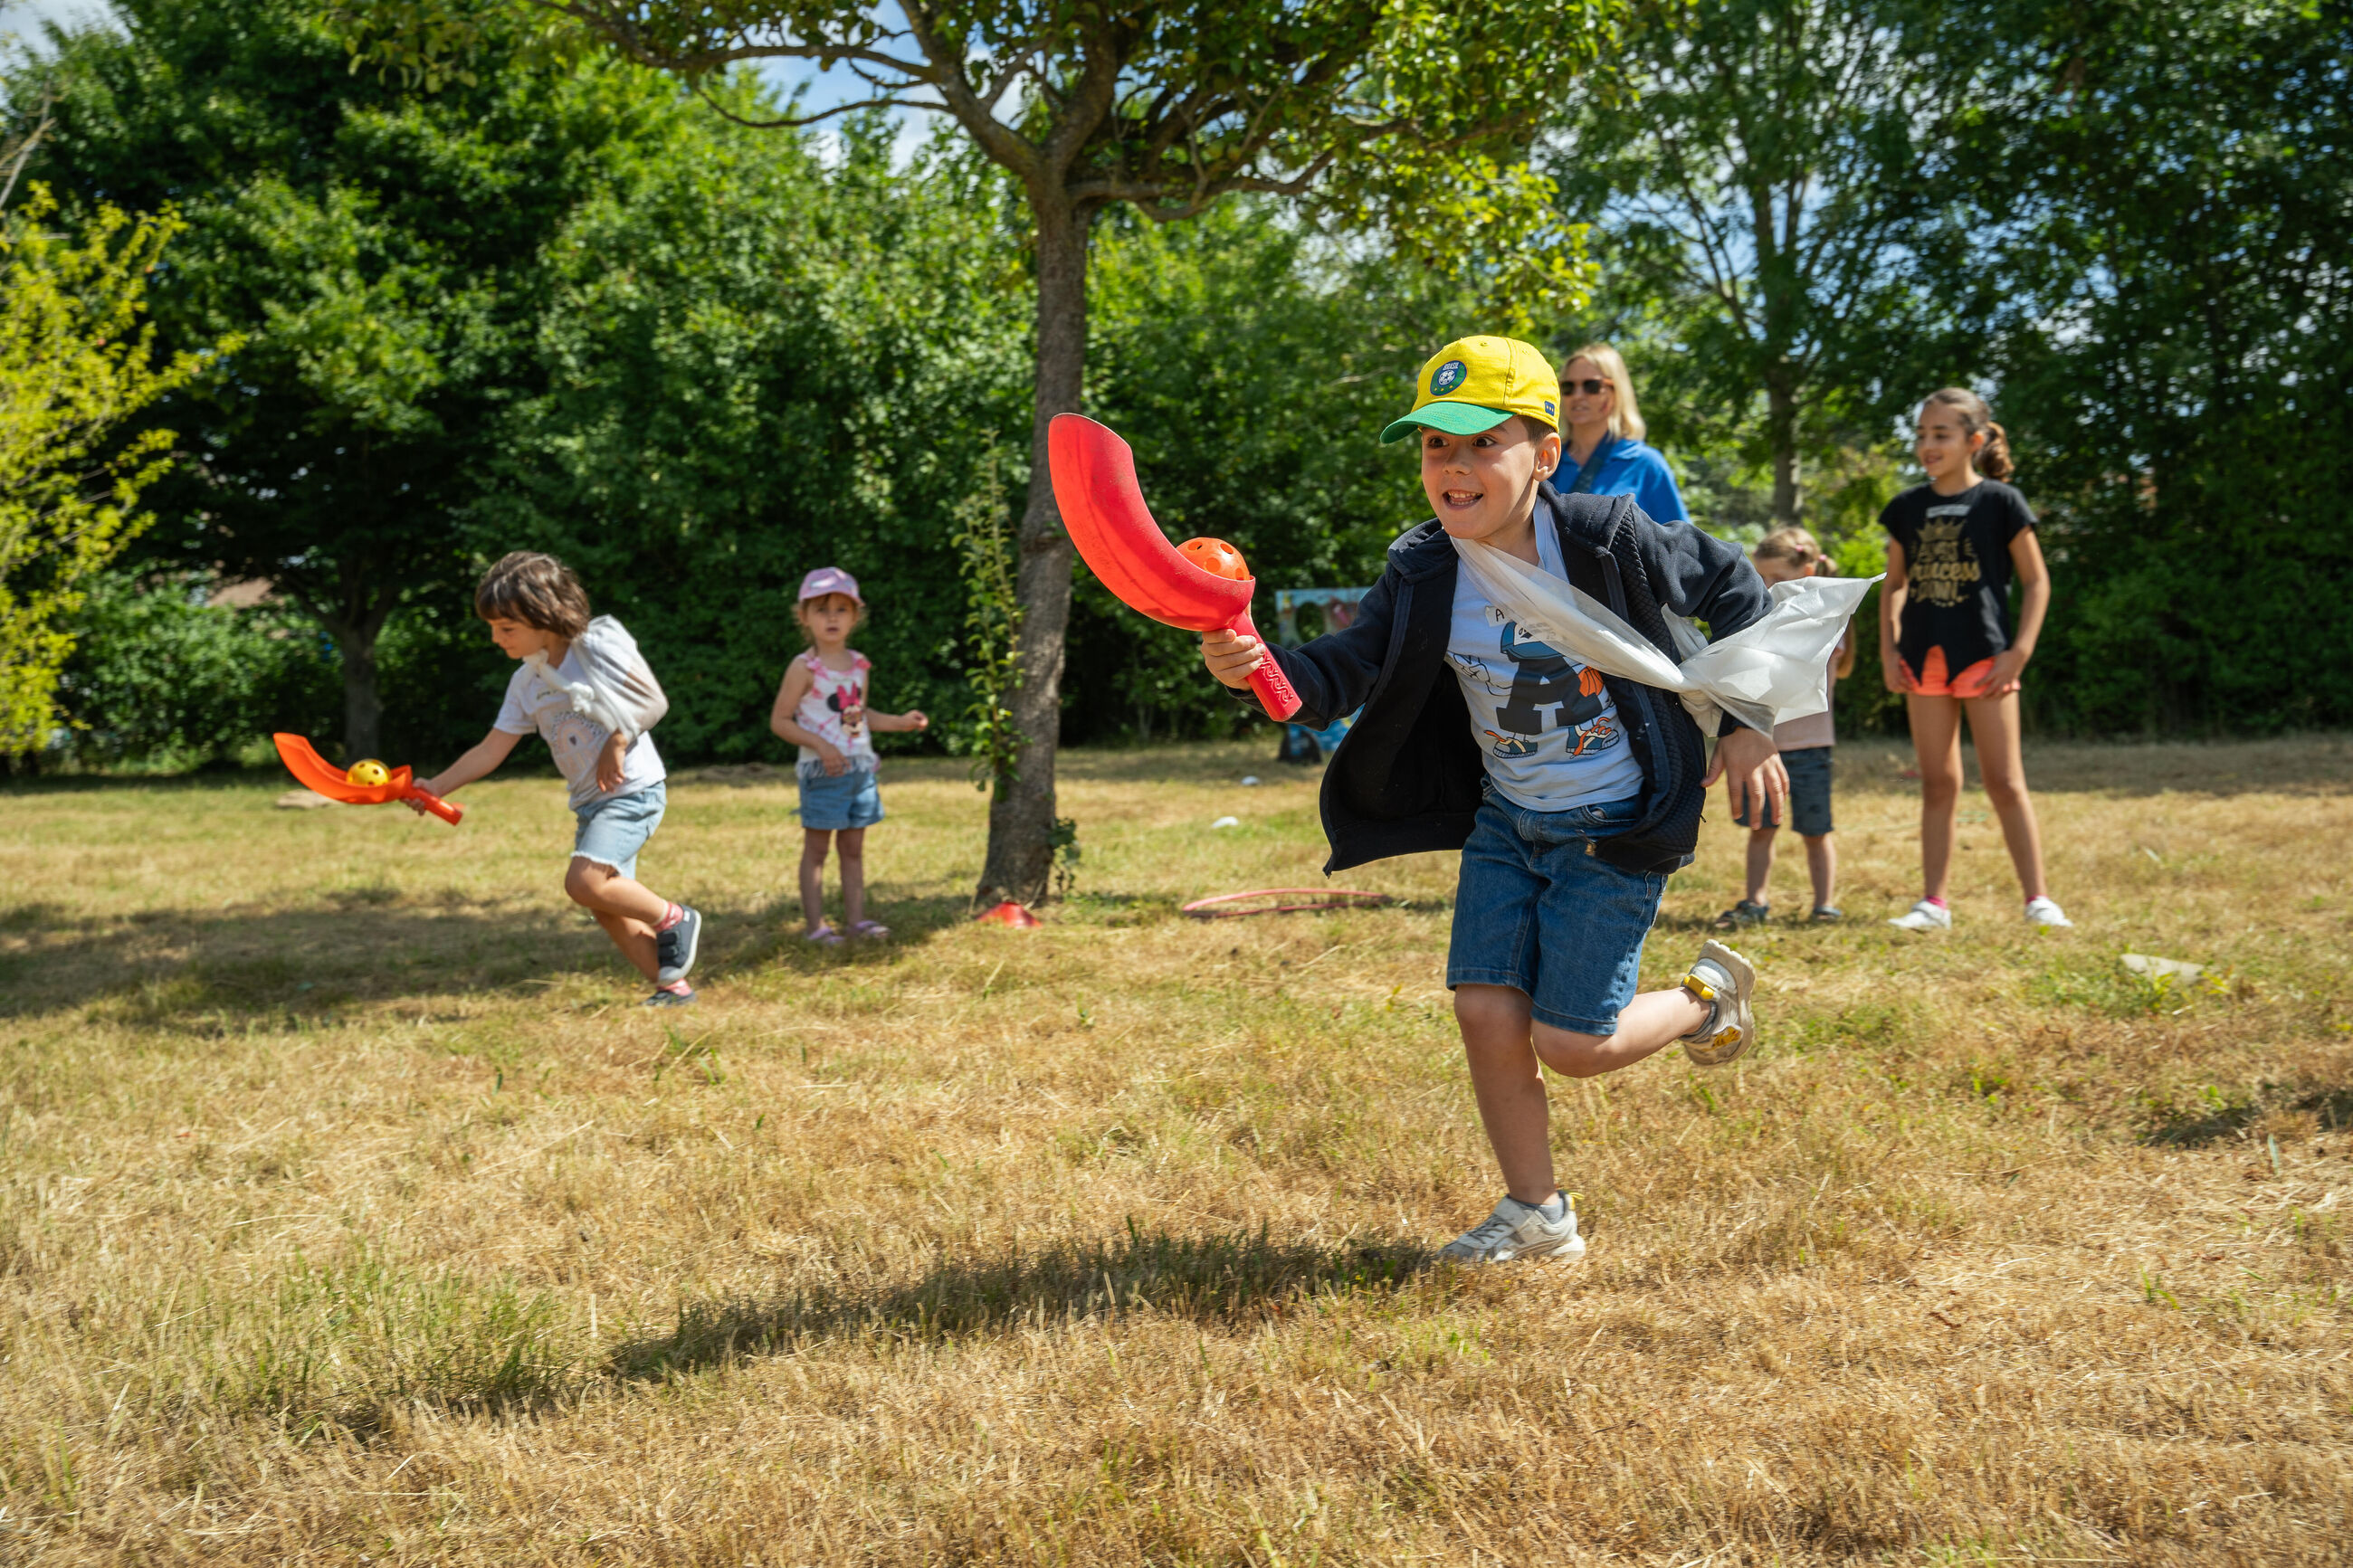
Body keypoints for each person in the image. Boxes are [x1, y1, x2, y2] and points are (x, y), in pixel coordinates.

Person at [1198, 334, 1786, 1267]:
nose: (1455, 466)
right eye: (1435, 445)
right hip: (1506, 820)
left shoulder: (1607, 535)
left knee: (1572, 1043)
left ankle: (1707, 995)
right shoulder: (1424, 566)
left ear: (1544, 454)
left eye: (1482, 442)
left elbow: (1738, 588)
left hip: (1614, 826)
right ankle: (1536, 1212)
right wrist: (1257, 664)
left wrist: (1748, 719)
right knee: (1483, 1010)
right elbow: (1343, 668)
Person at [415, 552, 703, 1006]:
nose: (495, 638)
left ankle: (674, 917)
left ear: (543, 617)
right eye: (492, 628)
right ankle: (673, 989)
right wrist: (437, 786)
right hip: (592, 801)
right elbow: (492, 749)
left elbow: (654, 701)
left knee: (583, 883)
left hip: (633, 789)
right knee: (602, 905)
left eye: (506, 628)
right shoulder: (526, 683)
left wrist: (617, 741)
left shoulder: (595, 649)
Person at [1880, 388, 2071, 931]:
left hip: (1987, 660)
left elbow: (2037, 583)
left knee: (2005, 781)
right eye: (1921, 434)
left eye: (1941, 434)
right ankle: (1932, 904)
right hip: (1923, 661)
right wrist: (1890, 651)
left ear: (1976, 441)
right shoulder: (1906, 508)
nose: (1928, 444)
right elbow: (1894, 587)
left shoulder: (2002, 503)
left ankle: (2038, 899)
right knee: (1939, 783)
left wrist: (2019, 654)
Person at [768, 567, 928, 945]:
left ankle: (856, 921)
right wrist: (821, 747)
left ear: (856, 617)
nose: (832, 617)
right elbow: (780, 720)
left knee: (853, 850)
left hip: (860, 769)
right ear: (804, 616)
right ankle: (816, 927)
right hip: (821, 772)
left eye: (842, 609)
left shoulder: (858, 666)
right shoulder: (804, 668)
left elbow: (856, 715)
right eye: (822, 610)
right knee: (818, 850)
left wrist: (899, 722)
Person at [1715, 527, 1855, 928]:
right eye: (1761, 577)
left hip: (1811, 746)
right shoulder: (1753, 618)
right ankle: (1755, 902)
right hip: (1764, 747)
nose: (1766, 587)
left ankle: (1824, 904)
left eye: (1777, 577)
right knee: (1761, 828)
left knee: (1816, 830)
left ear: (1808, 569)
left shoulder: (1828, 620)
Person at [1552, 342, 1691, 523]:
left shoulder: (1647, 465)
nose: (1578, 395)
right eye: (1568, 387)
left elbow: (1681, 544)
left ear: (1616, 392)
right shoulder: (1548, 459)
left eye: (1592, 386)